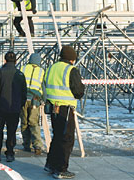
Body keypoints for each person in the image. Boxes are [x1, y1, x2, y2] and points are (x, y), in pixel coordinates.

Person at [44, 45, 85, 179]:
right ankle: (61, 169)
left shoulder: (51, 68)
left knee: (56, 136)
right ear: (72, 59)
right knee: (66, 138)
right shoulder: (71, 70)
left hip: (53, 107)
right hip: (65, 108)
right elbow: (78, 92)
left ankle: (50, 164)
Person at [0, 51, 27, 162]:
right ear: (15, 61)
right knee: (11, 132)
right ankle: (10, 153)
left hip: (1, 108)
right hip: (14, 109)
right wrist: (20, 106)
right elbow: (24, 93)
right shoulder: (19, 74)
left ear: (5, 60)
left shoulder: (0, 73)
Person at [20, 53, 46, 155]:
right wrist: (44, 99)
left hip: (23, 99)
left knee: (24, 122)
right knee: (34, 123)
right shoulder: (41, 71)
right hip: (35, 100)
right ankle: (37, 146)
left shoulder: (23, 68)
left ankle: (26, 144)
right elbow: (43, 87)